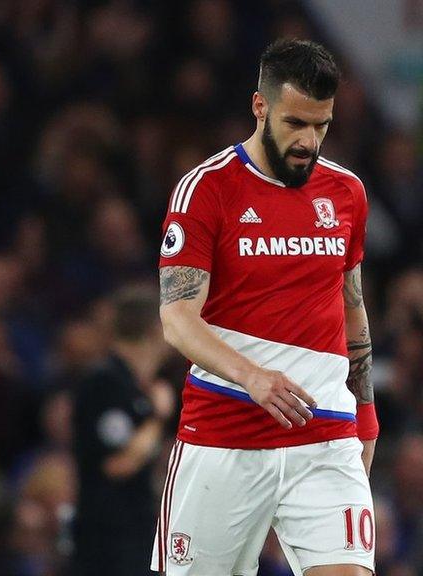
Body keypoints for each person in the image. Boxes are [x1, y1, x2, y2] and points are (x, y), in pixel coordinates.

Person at [154, 39, 378, 575]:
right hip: (223, 436)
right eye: (296, 123)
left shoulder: (346, 193)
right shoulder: (206, 190)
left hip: (324, 435)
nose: (309, 141)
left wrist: (365, 415)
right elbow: (177, 319)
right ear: (261, 106)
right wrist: (252, 377)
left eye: (321, 126)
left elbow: (352, 305)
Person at [71, 286, 175, 575]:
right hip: (108, 541)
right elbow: (118, 464)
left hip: (132, 534)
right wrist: (157, 418)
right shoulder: (104, 383)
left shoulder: (135, 386)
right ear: (157, 328)